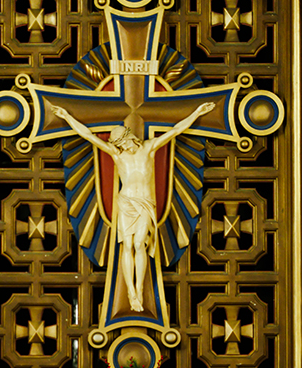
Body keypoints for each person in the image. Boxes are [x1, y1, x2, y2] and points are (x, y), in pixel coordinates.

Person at [49, 101, 215, 313]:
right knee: (127, 245)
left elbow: (176, 130)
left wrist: (197, 111)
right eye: (118, 144)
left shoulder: (149, 148)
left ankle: (138, 286)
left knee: (139, 244)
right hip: (126, 202)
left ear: (129, 137)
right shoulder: (118, 155)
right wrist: (66, 116)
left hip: (145, 202)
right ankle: (132, 292)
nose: (121, 146)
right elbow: (88, 135)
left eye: (122, 142)